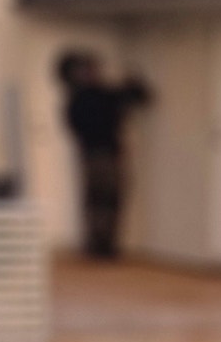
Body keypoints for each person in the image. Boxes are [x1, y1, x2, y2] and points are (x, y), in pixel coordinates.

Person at [55, 51, 152, 259]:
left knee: (112, 197)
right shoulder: (79, 97)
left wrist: (132, 79)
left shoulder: (105, 93)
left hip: (112, 152)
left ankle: (107, 244)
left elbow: (139, 96)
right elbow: (75, 125)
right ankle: (96, 245)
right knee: (97, 198)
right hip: (93, 153)